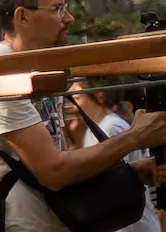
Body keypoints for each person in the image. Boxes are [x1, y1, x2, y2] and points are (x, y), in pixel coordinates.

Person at [0, 0, 166, 232]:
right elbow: (54, 172)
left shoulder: (38, 68)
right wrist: (134, 137)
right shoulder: (2, 72)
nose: (69, 18)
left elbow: (65, 161)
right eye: (57, 9)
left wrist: (129, 172)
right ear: (22, 16)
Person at [66, 80, 161, 232]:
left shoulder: (112, 127)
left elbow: (120, 178)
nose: (73, 103)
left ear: (99, 95)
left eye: (77, 96)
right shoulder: (94, 129)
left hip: (132, 225)